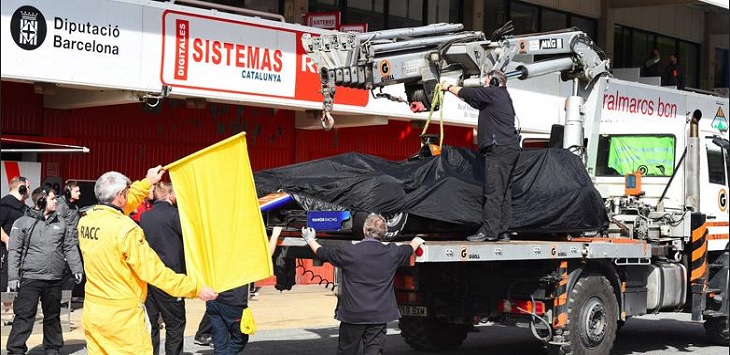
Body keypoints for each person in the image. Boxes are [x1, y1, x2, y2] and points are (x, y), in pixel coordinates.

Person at [77, 166, 218, 354]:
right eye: (126, 193)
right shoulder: (126, 230)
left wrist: (147, 181)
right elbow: (155, 272)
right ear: (120, 195)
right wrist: (195, 288)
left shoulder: (87, 220)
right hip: (123, 318)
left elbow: (116, 208)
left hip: (94, 311)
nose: (129, 197)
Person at [300, 214, 425, 355]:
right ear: (384, 233)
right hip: (378, 316)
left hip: (353, 315)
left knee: (346, 351)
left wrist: (309, 239)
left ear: (365, 230)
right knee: (373, 351)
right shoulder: (392, 252)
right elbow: (410, 248)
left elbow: (322, 252)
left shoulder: (349, 252)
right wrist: (417, 239)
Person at [442, 69, 520, 242]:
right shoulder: (500, 96)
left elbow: (467, 92)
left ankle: (488, 231)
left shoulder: (493, 92)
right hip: (509, 148)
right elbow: (471, 99)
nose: (484, 85)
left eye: (485, 82)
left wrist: (447, 87)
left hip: (498, 149)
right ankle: (502, 231)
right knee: (503, 192)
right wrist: (454, 93)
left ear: (493, 82)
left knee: (493, 191)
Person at [6, 187, 84, 355]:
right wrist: (13, 276)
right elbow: (14, 251)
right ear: (41, 201)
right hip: (29, 278)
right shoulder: (22, 223)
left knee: (52, 316)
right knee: (24, 316)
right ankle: (15, 350)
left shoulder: (61, 222)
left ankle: (52, 348)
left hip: (54, 278)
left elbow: (69, 247)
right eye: (52, 198)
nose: (56, 201)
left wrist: (77, 267)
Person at [139, 181, 187, 355]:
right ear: (170, 195)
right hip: (170, 277)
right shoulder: (175, 215)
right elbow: (189, 241)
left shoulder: (145, 217)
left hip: (149, 276)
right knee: (175, 323)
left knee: (151, 323)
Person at [1, 176, 30, 293]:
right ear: (21, 188)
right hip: (5, 255)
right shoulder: (4, 204)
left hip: (20, 256)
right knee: (4, 288)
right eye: (28, 187)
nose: (29, 190)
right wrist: (8, 240)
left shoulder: (25, 208)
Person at [56, 181, 82, 292]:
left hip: (73, 244)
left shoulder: (74, 206)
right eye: (76, 191)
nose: (79, 193)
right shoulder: (61, 206)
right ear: (67, 192)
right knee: (65, 274)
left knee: (71, 275)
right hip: (64, 246)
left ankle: (65, 301)